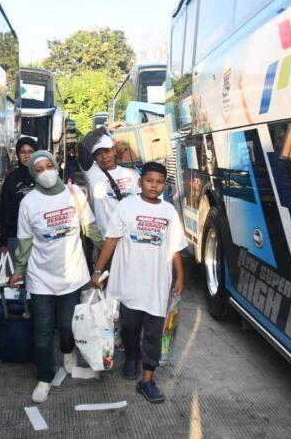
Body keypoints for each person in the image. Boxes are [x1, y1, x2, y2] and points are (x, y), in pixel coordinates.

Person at [8, 150, 104, 404]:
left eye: (48, 166)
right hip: (41, 277)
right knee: (42, 330)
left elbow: (91, 229)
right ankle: (44, 377)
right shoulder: (29, 203)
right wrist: (18, 269)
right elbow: (25, 241)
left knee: (67, 325)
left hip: (72, 275)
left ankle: (68, 356)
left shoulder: (74, 194)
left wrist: (108, 254)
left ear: (55, 165)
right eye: (38, 170)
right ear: (33, 175)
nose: (45, 173)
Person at [91, 161, 187, 404]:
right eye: (149, 180)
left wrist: (180, 275)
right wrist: (98, 270)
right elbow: (111, 240)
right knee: (130, 327)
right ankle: (132, 355)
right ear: (140, 181)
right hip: (130, 282)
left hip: (157, 284)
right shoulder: (126, 206)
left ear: (165, 186)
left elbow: (175, 247)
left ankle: (147, 380)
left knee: (154, 333)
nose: (154, 186)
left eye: (159, 182)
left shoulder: (169, 212)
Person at [83, 134, 140, 235]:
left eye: (107, 151)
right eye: (99, 154)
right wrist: (103, 129)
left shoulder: (132, 173)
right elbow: (82, 147)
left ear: (114, 150)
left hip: (131, 234)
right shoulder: (93, 174)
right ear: (94, 158)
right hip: (107, 238)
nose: (104, 156)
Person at [0, 136, 40, 258]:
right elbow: (5, 210)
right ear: (18, 154)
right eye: (23, 152)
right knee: (19, 269)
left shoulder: (42, 175)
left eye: (31, 152)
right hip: (16, 236)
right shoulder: (11, 179)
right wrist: (3, 240)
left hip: (41, 236)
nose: (27, 156)